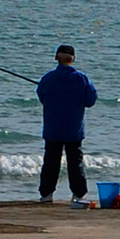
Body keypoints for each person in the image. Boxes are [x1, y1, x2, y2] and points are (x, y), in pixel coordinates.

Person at [36, 43, 98, 205]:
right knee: (75, 162)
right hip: (73, 130)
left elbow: (42, 97)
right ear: (73, 59)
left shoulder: (48, 78)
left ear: (57, 58)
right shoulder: (82, 78)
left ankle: (46, 194)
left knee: (50, 162)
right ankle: (78, 194)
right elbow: (90, 101)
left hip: (53, 129)